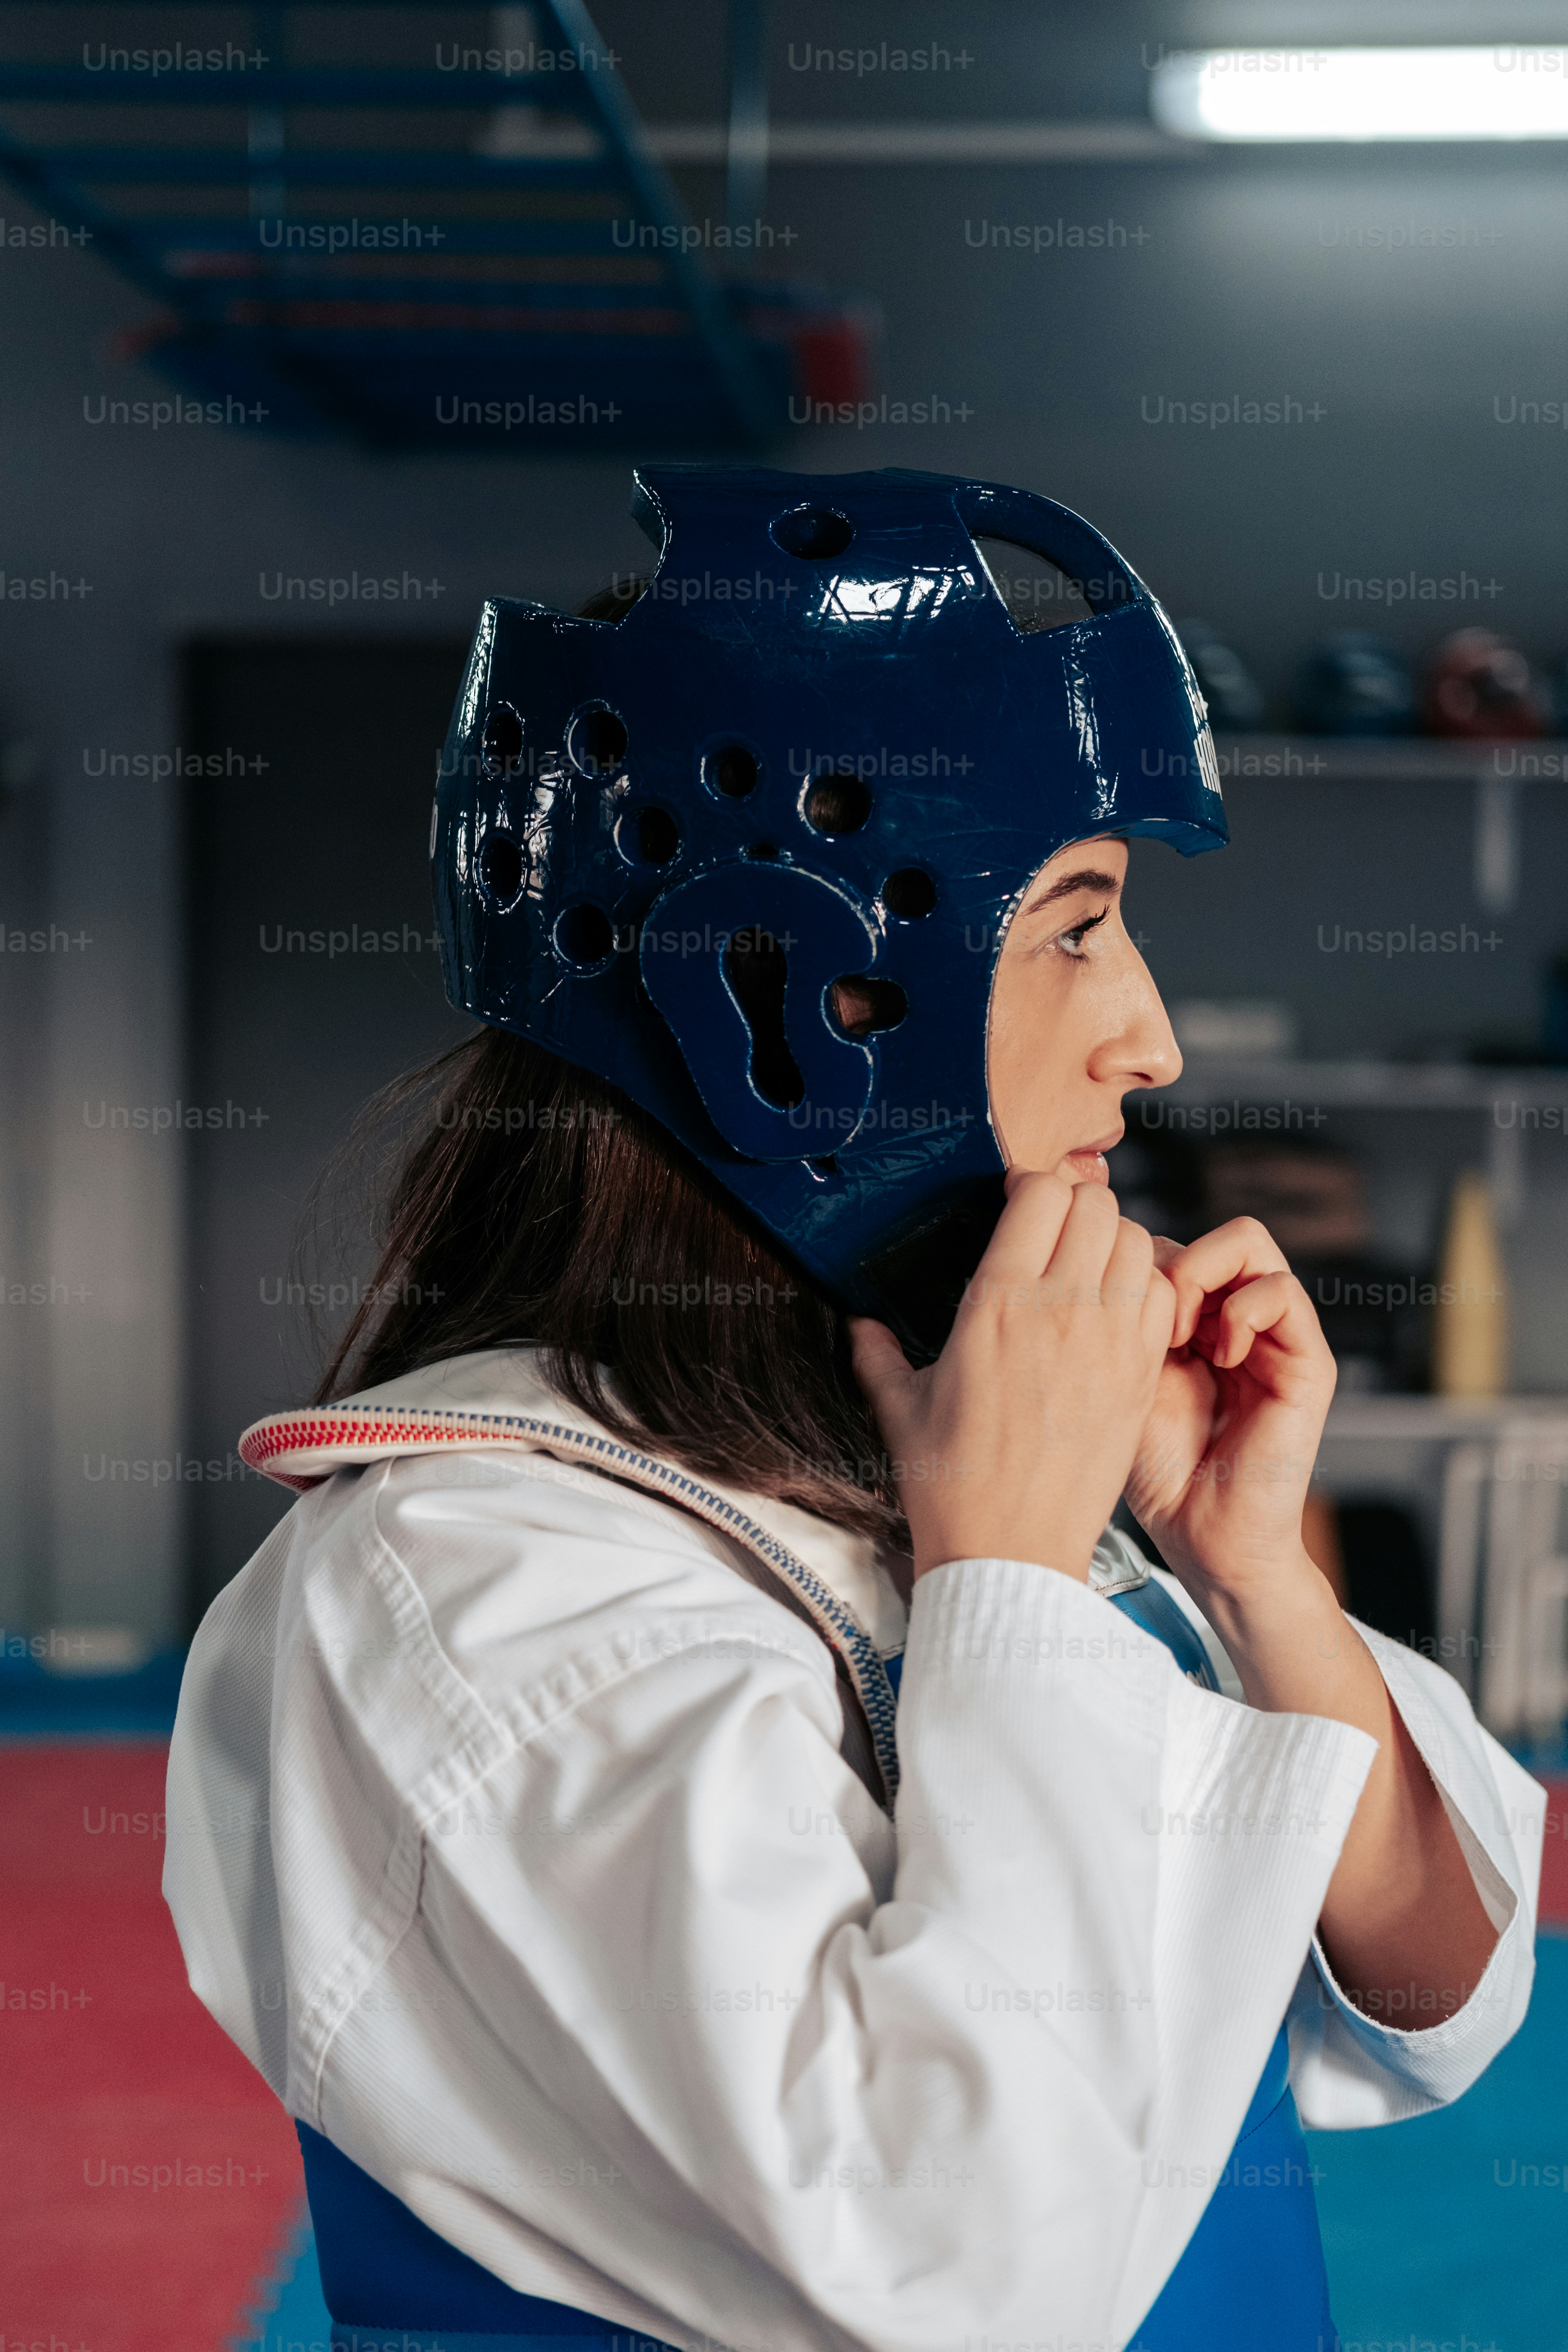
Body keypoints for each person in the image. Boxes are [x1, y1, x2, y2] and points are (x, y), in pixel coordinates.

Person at [164, 469, 1542, 2352]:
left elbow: (1443, 1998)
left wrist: (1252, 1579)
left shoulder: (953, 1461)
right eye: (1073, 924)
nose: (1151, 1036)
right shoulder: (465, 1584)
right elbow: (973, 2280)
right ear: (788, 987)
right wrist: (1010, 1589)